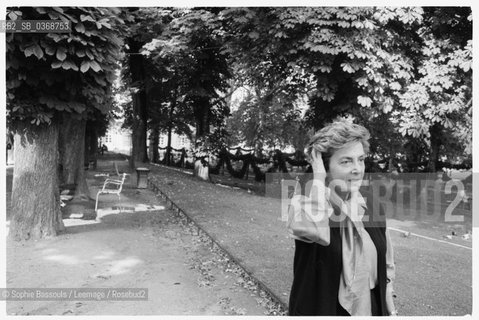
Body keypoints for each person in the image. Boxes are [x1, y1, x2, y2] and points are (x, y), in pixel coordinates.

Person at [287, 120, 397, 316]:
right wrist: (318, 177)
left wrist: (388, 299)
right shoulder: (306, 201)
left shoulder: (371, 204)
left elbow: (386, 260)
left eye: (360, 159)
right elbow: (316, 231)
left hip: (372, 307)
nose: (357, 169)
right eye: (346, 161)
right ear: (325, 166)